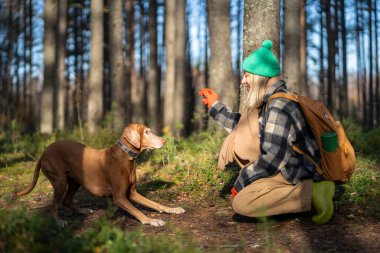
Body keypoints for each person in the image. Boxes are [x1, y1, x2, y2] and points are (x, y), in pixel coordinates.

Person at [198, 39, 335, 225]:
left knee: (243, 203)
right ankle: (308, 192)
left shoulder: (278, 106)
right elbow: (245, 128)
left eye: (246, 75)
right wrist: (215, 106)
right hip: (288, 169)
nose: (243, 81)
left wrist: (243, 180)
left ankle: (312, 193)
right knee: (247, 191)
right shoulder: (270, 102)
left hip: (295, 173)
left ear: (259, 76)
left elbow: (274, 158)